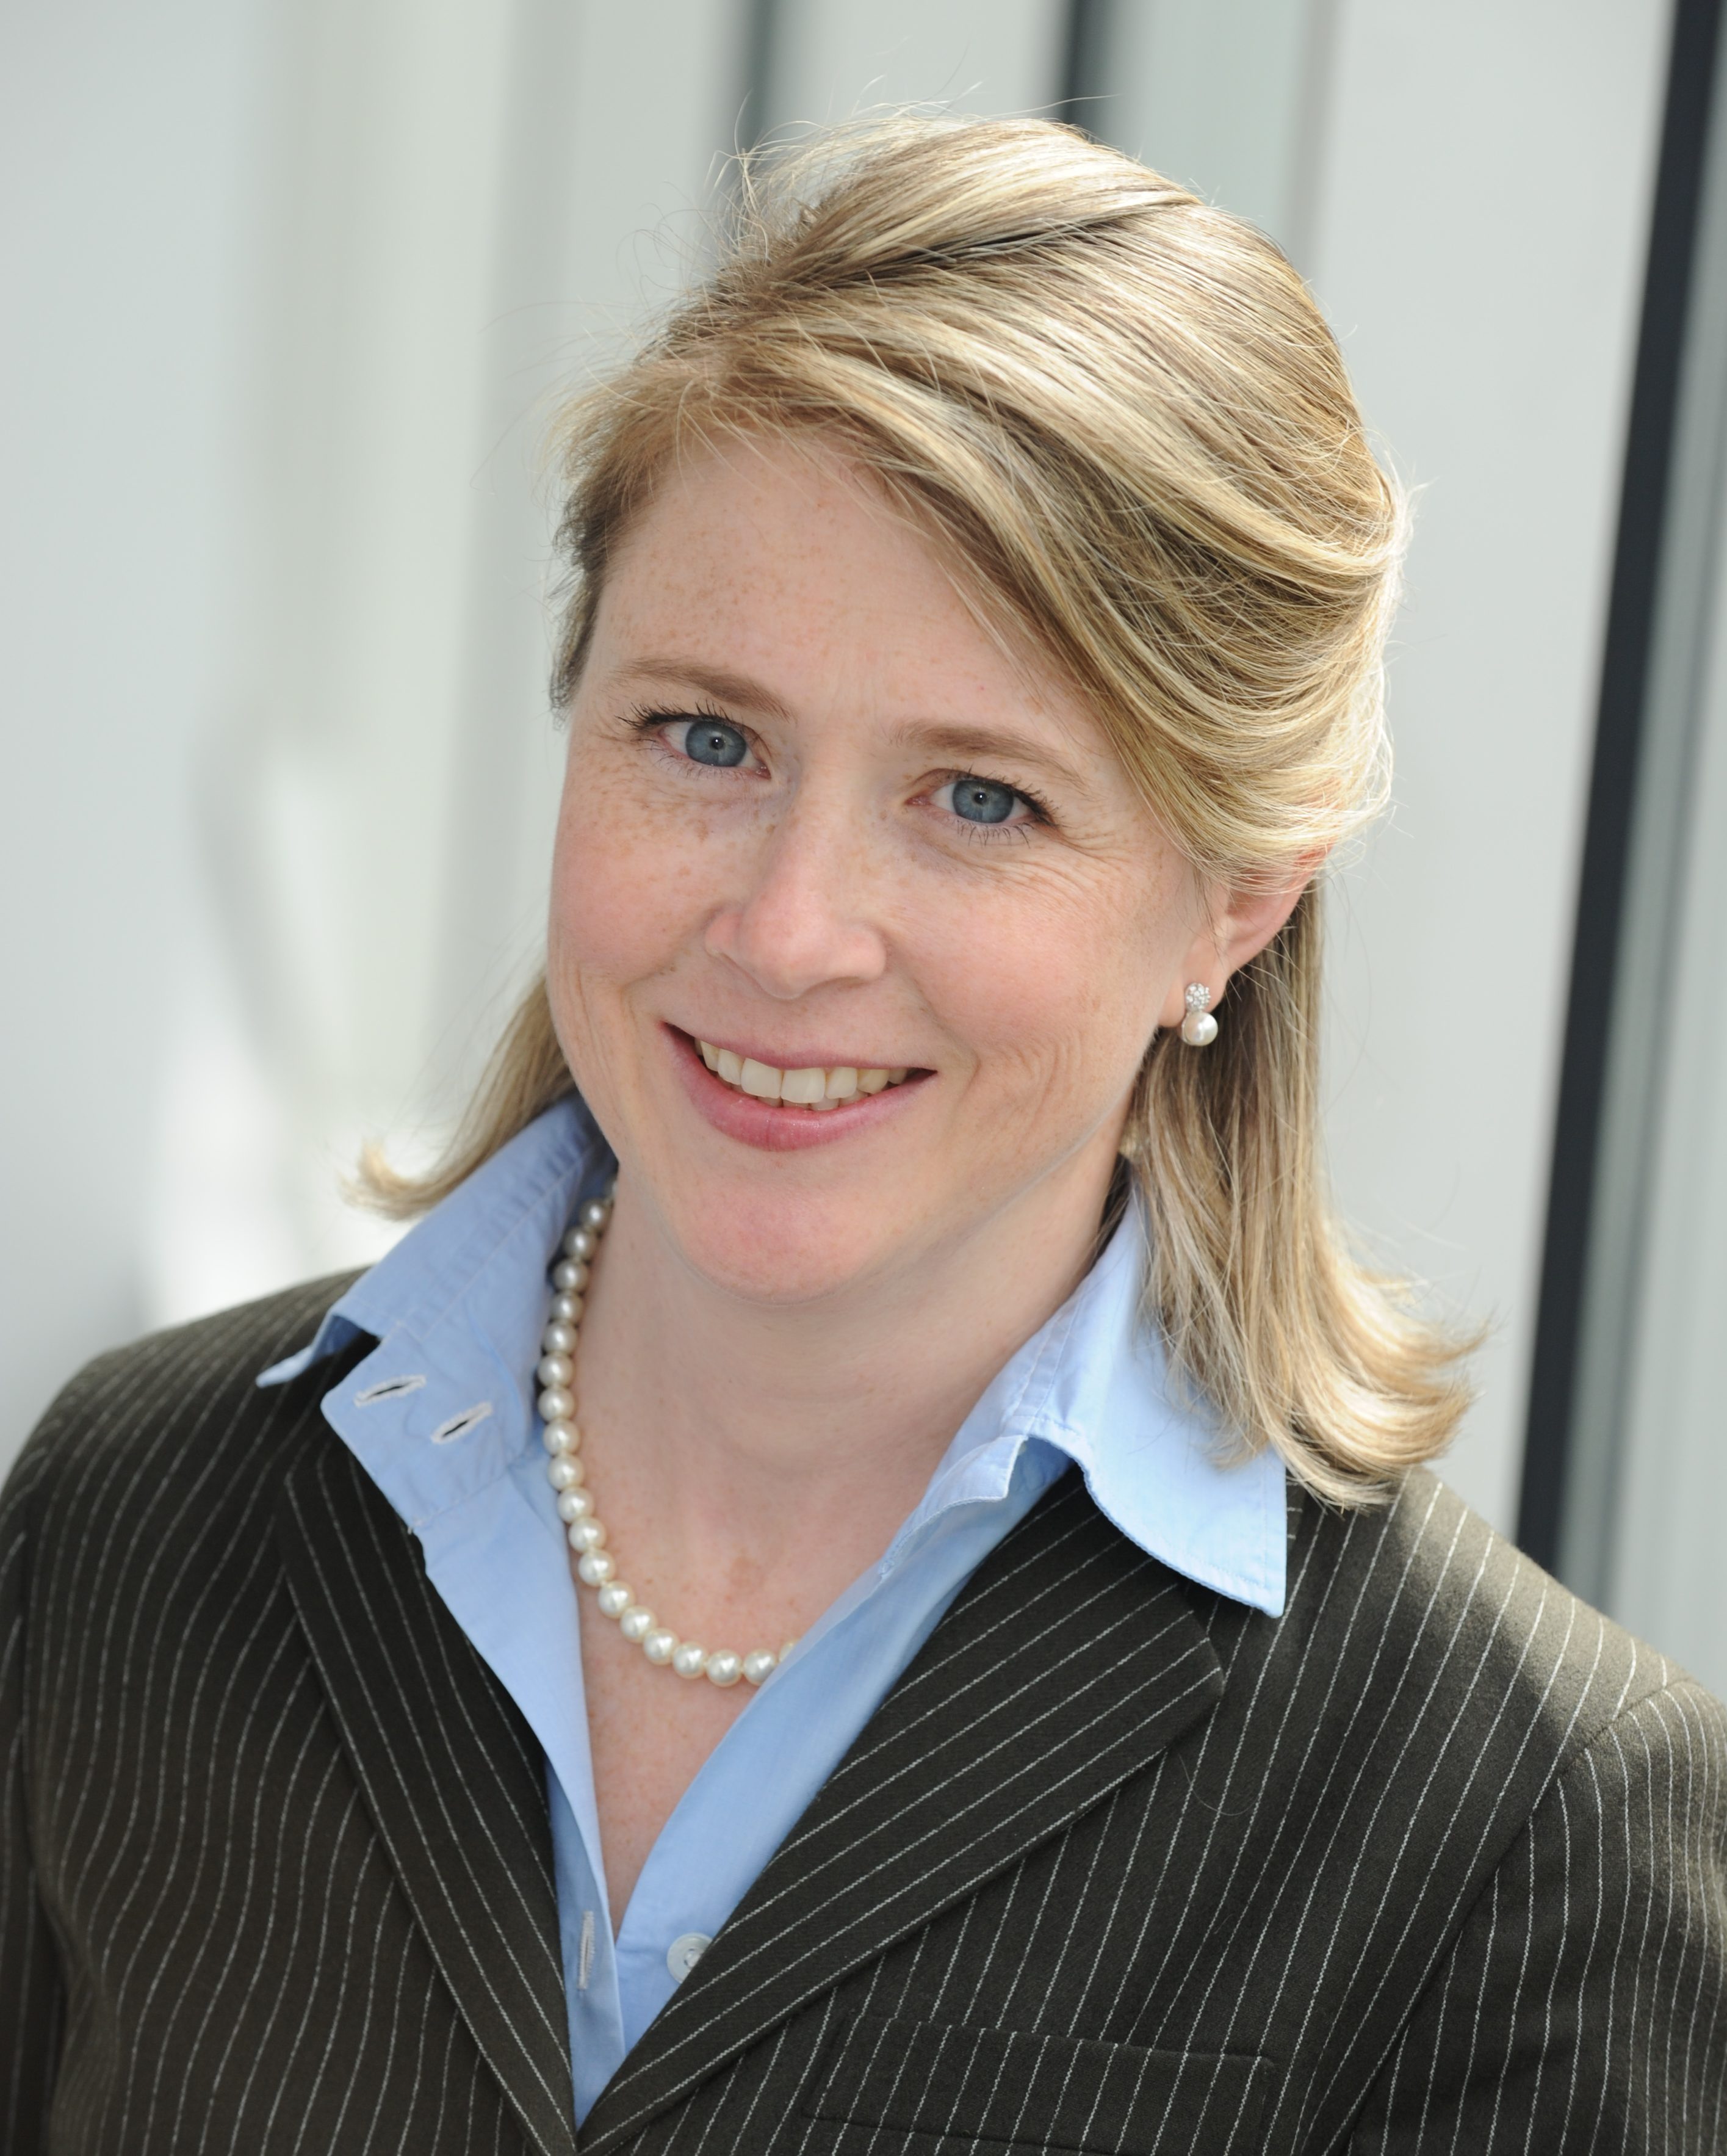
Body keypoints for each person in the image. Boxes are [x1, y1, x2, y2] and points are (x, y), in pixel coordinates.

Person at [3, 115, 1723, 2156]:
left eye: (979, 798)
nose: (789, 929)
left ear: (1238, 897)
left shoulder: (1523, 1822)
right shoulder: (134, 1510)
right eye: (704, 737)